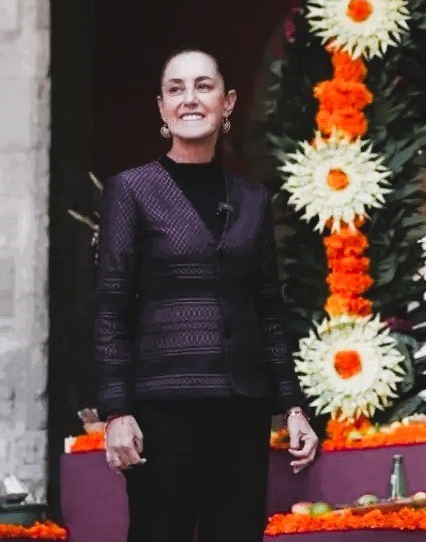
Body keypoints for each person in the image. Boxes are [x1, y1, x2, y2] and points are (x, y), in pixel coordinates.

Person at [94, 49, 319, 542]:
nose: (190, 99)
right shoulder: (131, 191)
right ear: (161, 108)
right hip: (161, 410)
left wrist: (294, 407)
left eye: (203, 86)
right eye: (176, 89)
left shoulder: (253, 199)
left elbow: (268, 310)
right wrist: (116, 410)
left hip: (242, 409)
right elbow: (112, 307)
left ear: (228, 101)